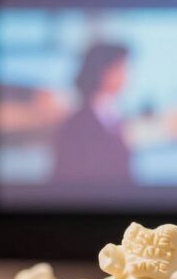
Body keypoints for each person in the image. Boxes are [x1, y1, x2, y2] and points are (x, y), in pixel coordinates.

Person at [53, 43, 131, 183]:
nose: (125, 77)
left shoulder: (114, 119)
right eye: (120, 69)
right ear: (102, 72)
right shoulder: (76, 126)